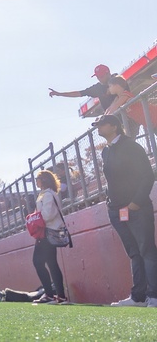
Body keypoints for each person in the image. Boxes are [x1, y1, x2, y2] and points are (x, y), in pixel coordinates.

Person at [93, 114, 157, 307]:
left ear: (114, 126)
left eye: (101, 124)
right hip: (116, 210)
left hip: (136, 209)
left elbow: (147, 175)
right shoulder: (106, 151)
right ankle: (138, 296)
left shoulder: (132, 146)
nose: (98, 128)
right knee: (134, 252)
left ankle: (154, 296)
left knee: (146, 250)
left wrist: (135, 203)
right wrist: (110, 202)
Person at [31, 170, 68, 304]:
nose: (36, 181)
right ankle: (58, 295)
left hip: (47, 232)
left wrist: (34, 219)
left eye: (38, 179)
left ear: (44, 180)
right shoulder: (44, 194)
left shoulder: (47, 195)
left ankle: (51, 294)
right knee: (51, 263)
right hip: (45, 232)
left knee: (39, 261)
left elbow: (48, 214)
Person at [48, 64, 116, 115]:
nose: (99, 79)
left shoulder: (117, 79)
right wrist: (59, 94)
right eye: (97, 77)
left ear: (108, 73)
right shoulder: (97, 88)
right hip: (113, 116)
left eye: (101, 76)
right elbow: (79, 93)